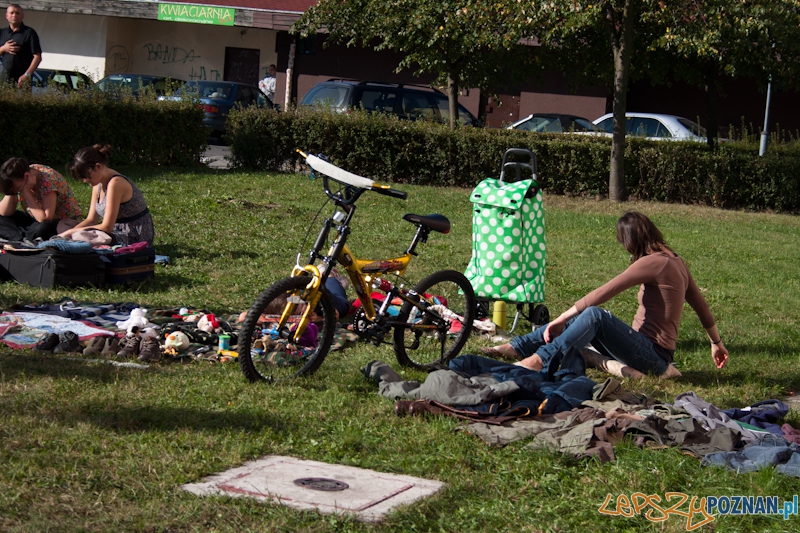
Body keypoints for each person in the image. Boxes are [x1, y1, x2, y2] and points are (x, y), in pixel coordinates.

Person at [483, 211, 729, 379]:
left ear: (632, 240)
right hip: (645, 351)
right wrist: (716, 343)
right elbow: (702, 307)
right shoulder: (675, 260)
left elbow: (605, 291)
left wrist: (559, 319)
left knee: (593, 315)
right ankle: (518, 347)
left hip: (652, 357)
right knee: (581, 318)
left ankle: (538, 361)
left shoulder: (654, 262)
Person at [59, 144, 155, 246]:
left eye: (87, 176)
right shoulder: (98, 184)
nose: (85, 181)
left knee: (78, 235)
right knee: (64, 225)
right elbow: (91, 220)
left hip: (132, 234)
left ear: (98, 167)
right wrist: (71, 232)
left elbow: (107, 227)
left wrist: (71, 233)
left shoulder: (115, 183)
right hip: (114, 231)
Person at [0, 157, 81, 241]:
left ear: (26, 176)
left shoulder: (47, 180)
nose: (18, 191)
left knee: (43, 229)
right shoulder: (26, 175)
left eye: (18, 188)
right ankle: (25, 236)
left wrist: (26, 191)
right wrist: (12, 191)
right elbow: (5, 212)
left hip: (58, 223)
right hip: (34, 219)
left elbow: (45, 219)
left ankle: (21, 236)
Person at [0, 4, 42, 87]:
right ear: (7, 16)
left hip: (22, 80)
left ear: (22, 16)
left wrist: (27, 75)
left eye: (17, 13)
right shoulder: (2, 33)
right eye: (11, 13)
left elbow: (37, 57)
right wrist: (3, 49)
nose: (14, 15)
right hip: (4, 79)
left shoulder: (29, 33)